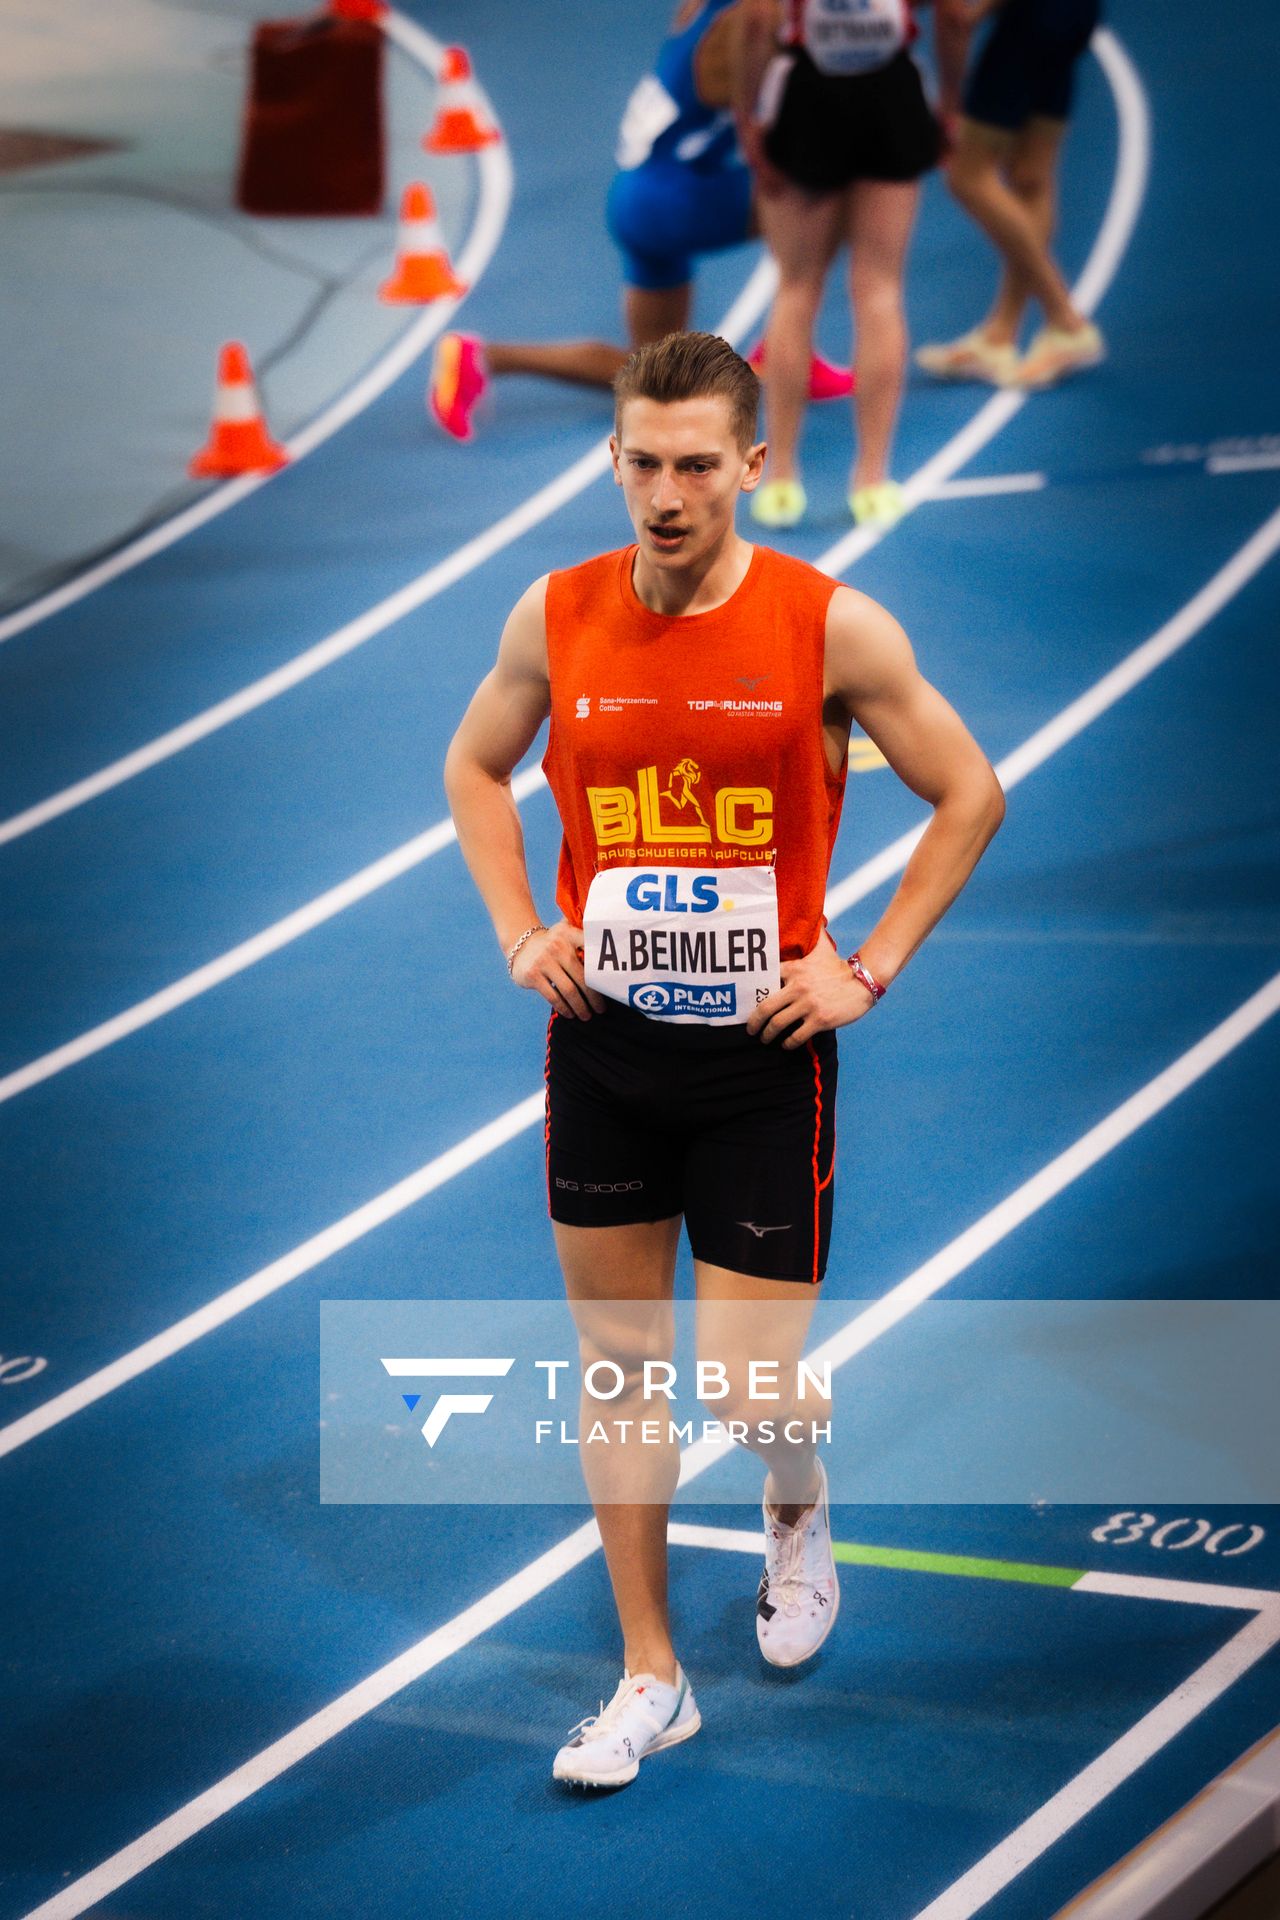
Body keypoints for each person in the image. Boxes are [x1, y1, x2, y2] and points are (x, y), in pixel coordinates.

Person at [444, 331, 1004, 1788]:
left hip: (763, 1054)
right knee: (621, 1375)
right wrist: (520, 928)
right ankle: (650, 1675)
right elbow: (473, 767)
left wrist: (866, 965)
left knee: (753, 1390)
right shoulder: (554, 614)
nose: (668, 494)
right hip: (606, 1049)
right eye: (643, 461)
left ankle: (795, 1503)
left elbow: (970, 793)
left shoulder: (833, 627)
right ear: (613, 458)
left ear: (756, 463)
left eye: (700, 464)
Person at [428, 0, 851, 442]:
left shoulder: (700, 9)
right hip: (675, 200)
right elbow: (777, 103)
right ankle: (789, 343)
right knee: (830, 187)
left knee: (658, 376)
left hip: (636, 195)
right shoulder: (748, 25)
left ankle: (483, 358)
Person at [733, 0, 945, 531]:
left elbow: (756, 22)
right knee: (880, 289)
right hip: (890, 94)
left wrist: (745, 117)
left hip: (810, 98)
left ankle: (779, 476)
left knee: (796, 289)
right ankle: (872, 480)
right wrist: (956, 98)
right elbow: (958, 17)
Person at [915, 0, 1105, 388]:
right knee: (1030, 176)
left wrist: (950, 99)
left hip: (1030, 26)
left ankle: (1065, 320)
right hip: (1076, 15)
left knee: (967, 177)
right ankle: (1000, 334)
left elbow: (954, 15)